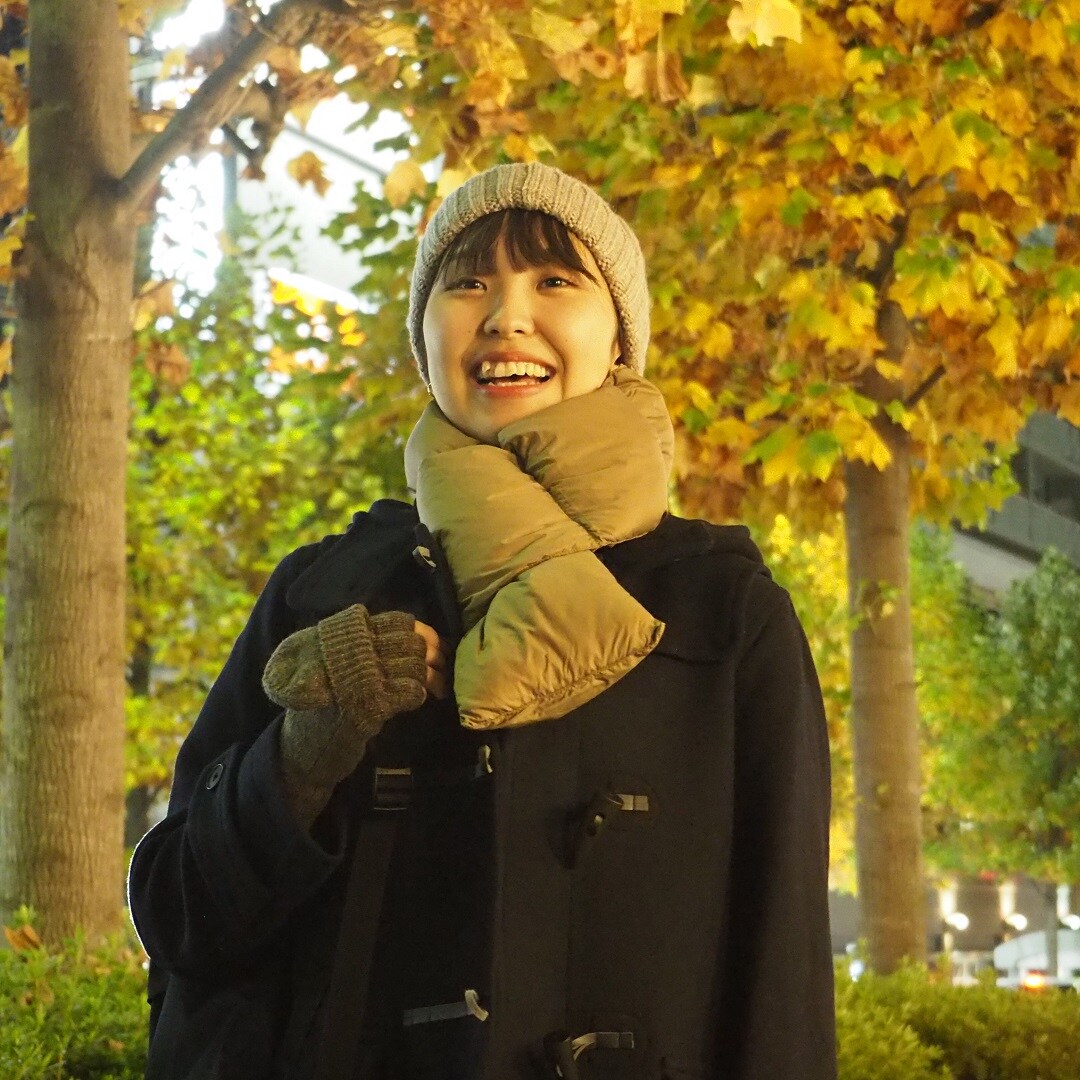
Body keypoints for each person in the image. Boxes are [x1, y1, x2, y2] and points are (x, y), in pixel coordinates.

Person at [128, 162, 837, 1080]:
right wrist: (296, 766)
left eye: (555, 281)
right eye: (467, 284)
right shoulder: (324, 591)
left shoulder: (726, 609)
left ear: (620, 337)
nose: (506, 316)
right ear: (424, 340)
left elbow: (782, 978)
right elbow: (181, 921)